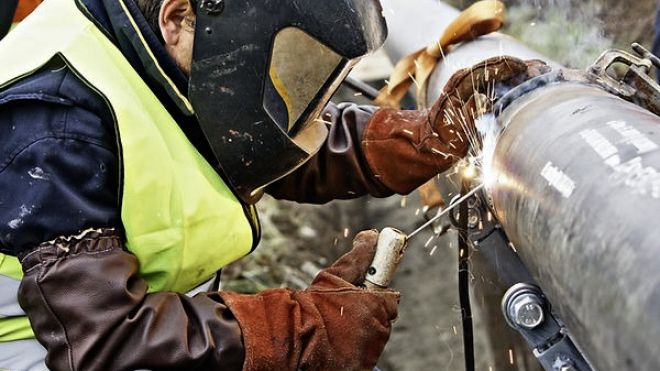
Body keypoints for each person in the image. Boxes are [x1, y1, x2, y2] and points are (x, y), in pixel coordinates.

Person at [0, 0, 537, 370]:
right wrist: (298, 333)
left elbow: (251, 131)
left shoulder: (159, 50)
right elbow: (106, 345)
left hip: (127, 325)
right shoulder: (54, 125)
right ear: (178, 17)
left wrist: (409, 139)